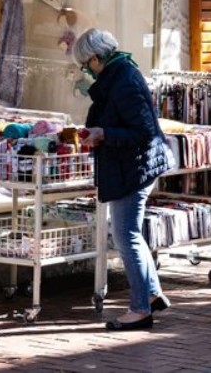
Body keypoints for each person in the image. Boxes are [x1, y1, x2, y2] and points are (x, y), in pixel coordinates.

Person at [73, 28, 173, 331]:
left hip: (134, 168)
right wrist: (99, 132)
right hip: (132, 165)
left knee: (125, 235)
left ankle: (140, 309)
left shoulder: (123, 80)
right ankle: (152, 294)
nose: (86, 71)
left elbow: (143, 131)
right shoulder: (119, 75)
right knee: (130, 234)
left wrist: (104, 134)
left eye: (85, 64)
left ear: (95, 57)